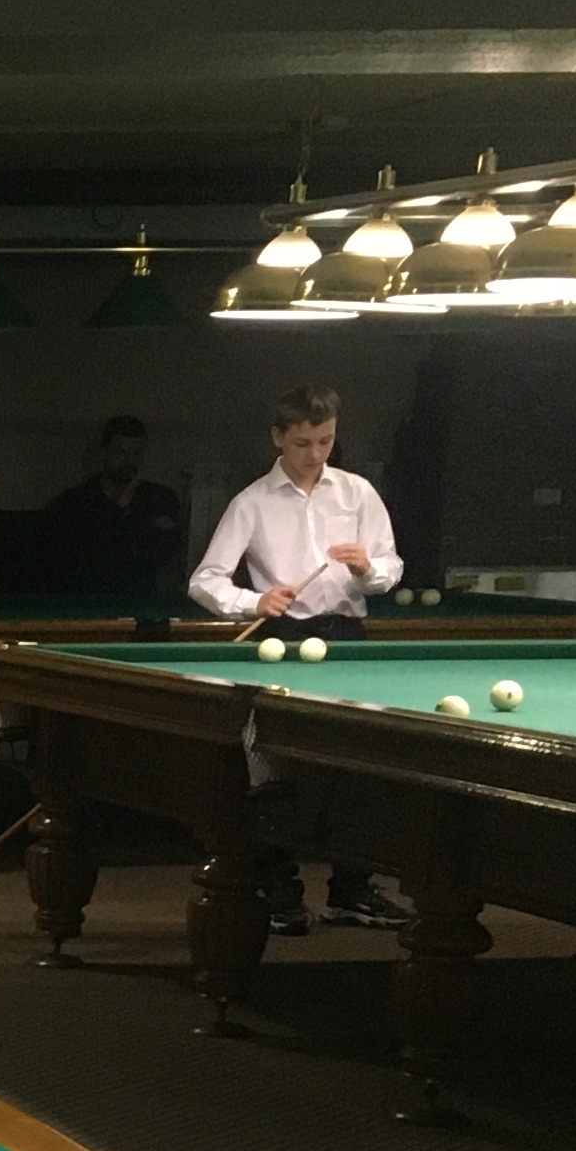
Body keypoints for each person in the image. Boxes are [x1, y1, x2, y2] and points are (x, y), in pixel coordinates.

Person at [188, 382, 411, 930]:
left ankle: (352, 892)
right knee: (274, 766)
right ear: (278, 438)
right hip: (281, 640)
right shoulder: (251, 502)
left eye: (325, 441)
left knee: (357, 764)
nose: (315, 454)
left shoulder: (358, 493)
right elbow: (205, 580)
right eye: (303, 443)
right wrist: (254, 601)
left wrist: (367, 569)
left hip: (347, 638)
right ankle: (279, 891)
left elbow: (389, 570)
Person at [39, 415, 189, 625]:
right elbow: (76, 558)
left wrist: (126, 510)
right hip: (85, 606)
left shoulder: (159, 498)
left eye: (136, 453)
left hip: (141, 606)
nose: (129, 461)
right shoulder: (74, 501)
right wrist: (122, 514)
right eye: (121, 452)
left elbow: (164, 553)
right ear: (104, 452)